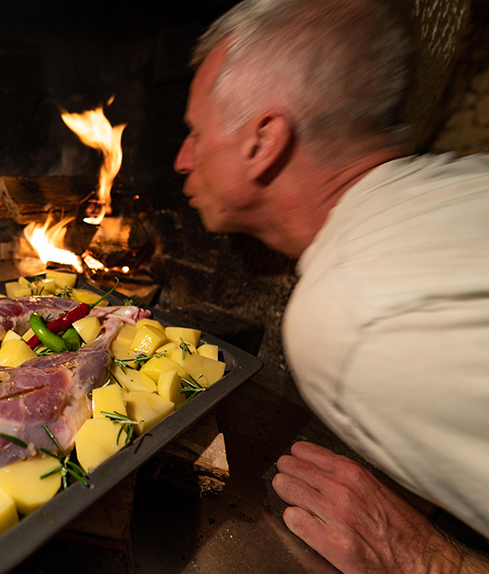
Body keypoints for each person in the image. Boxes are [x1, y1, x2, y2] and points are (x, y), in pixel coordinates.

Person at [173, 0, 489, 572]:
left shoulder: (353, 316)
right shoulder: (460, 185)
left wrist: (429, 559)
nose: (181, 159)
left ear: (261, 141)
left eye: (195, 132)